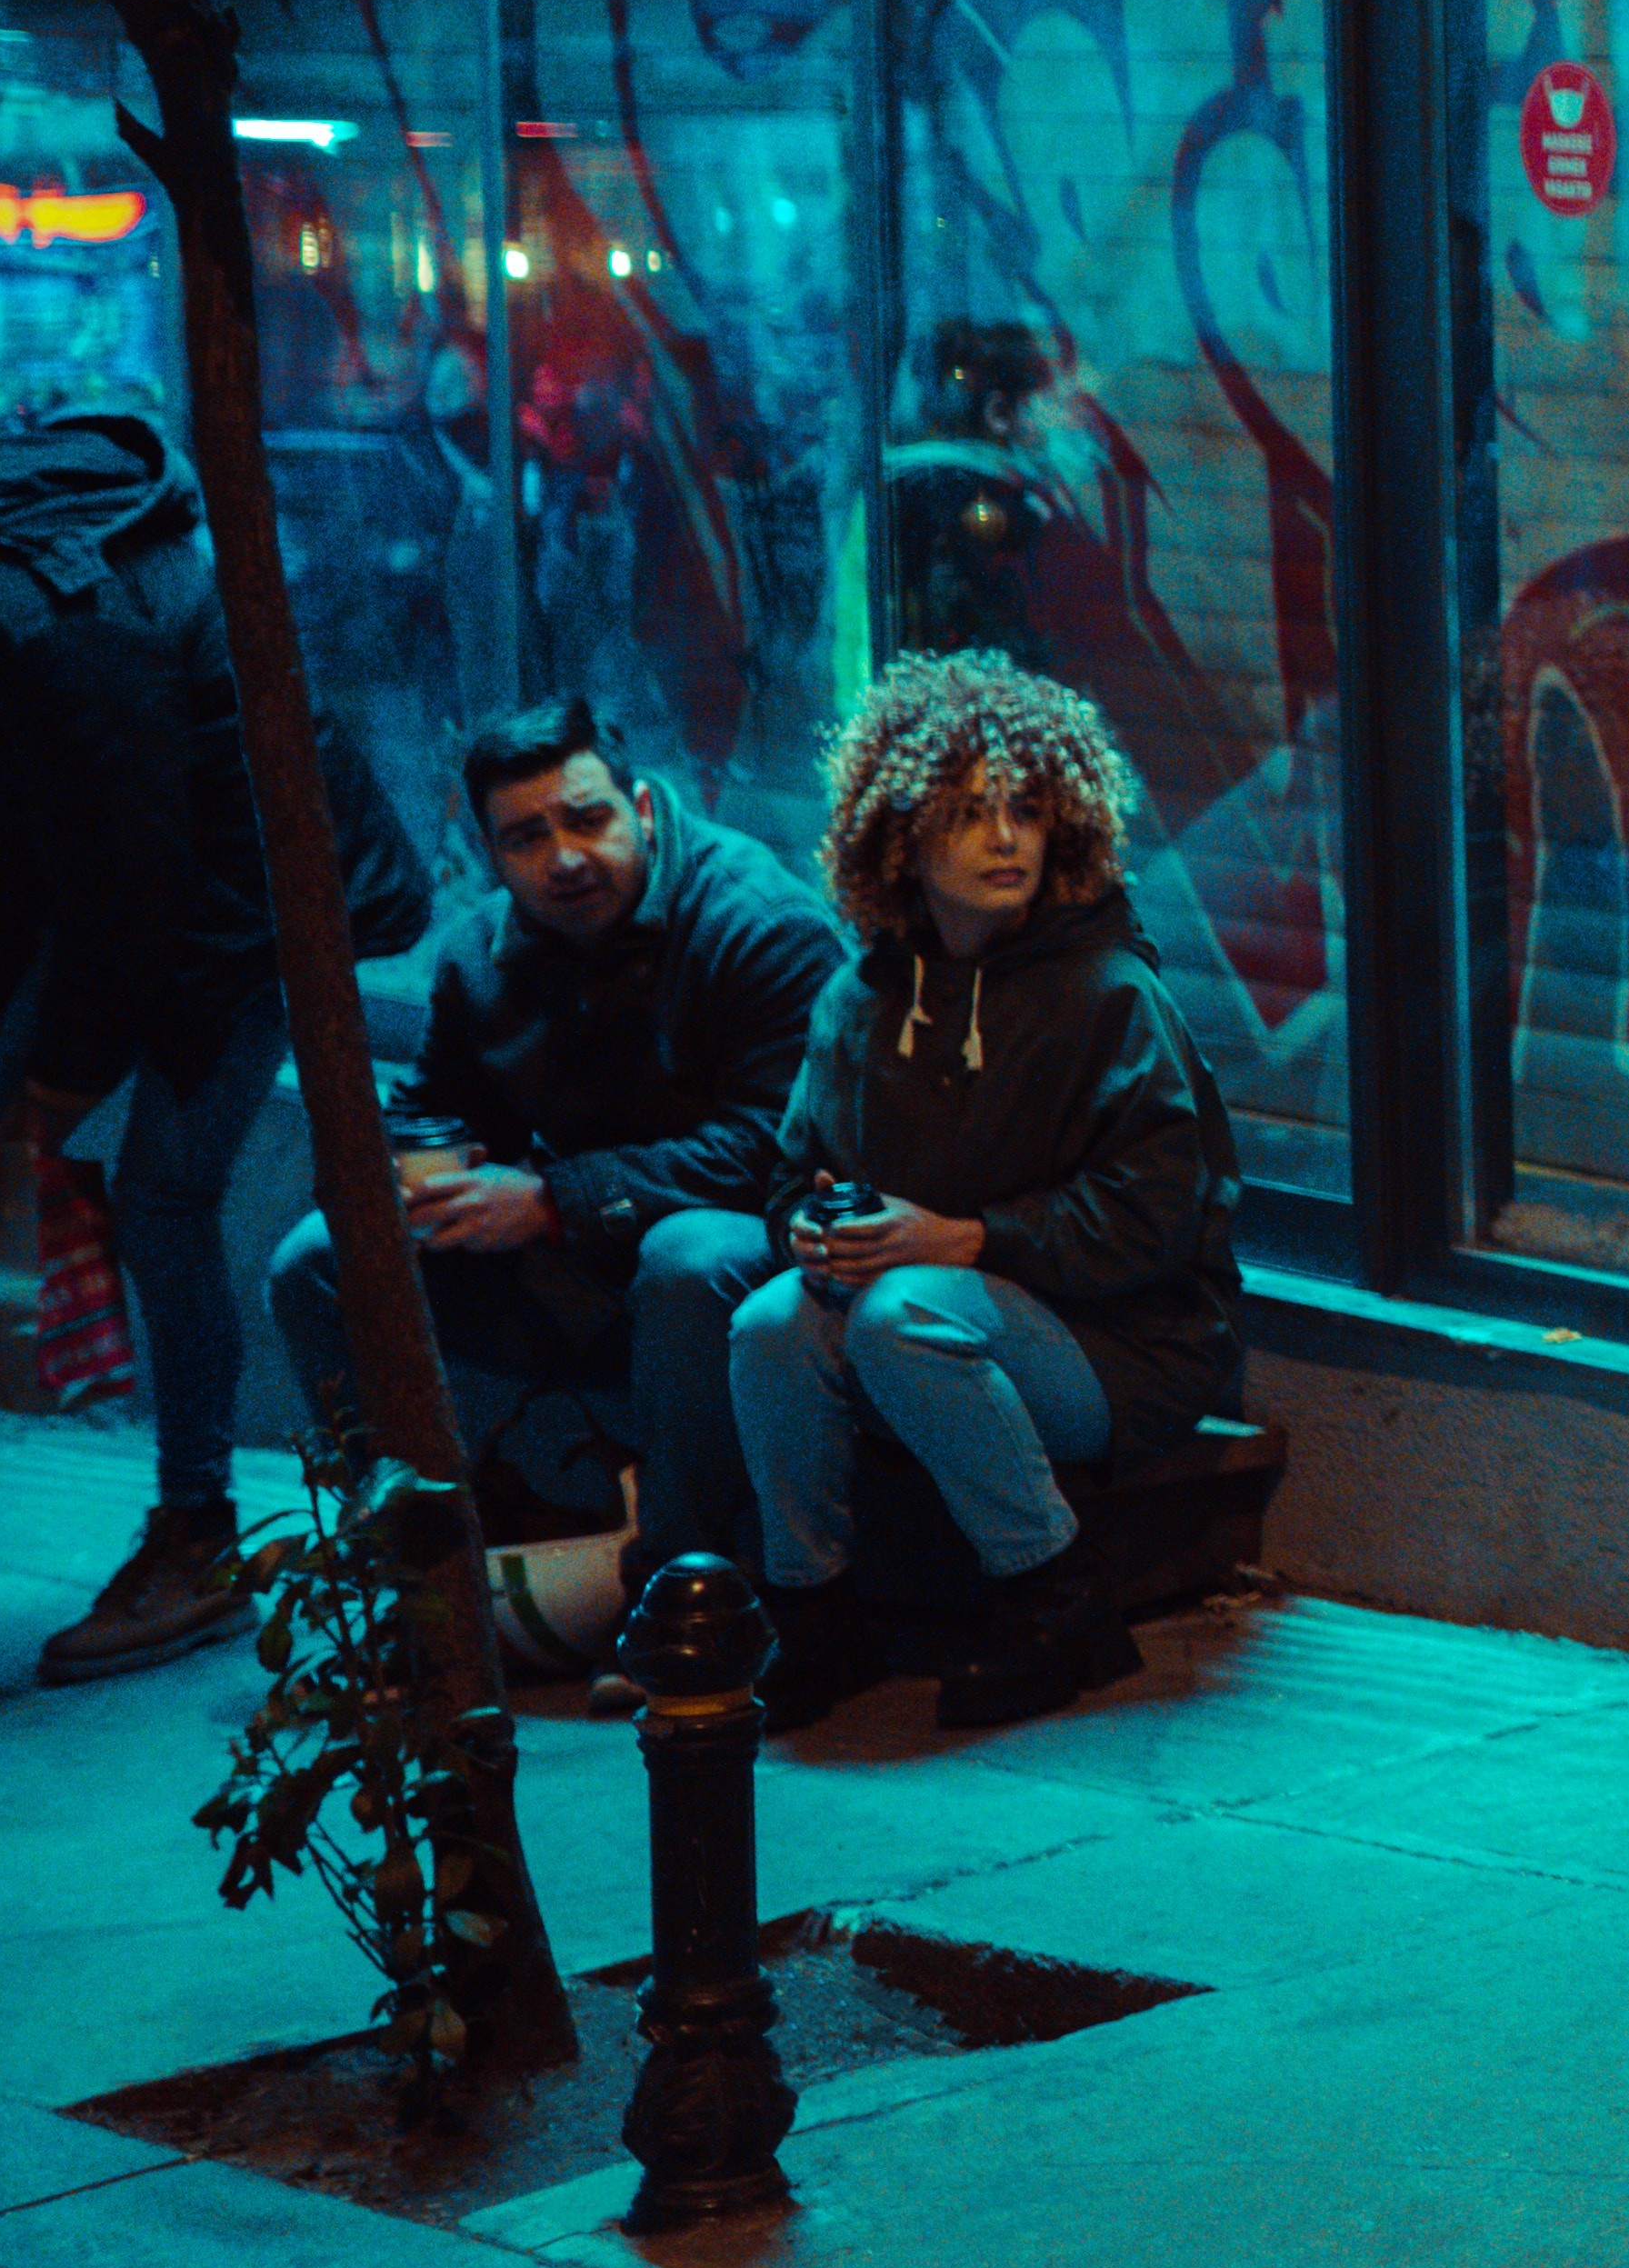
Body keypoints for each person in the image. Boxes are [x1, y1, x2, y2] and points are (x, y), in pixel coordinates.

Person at [0, 407, 429, 1681]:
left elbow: (129, 883)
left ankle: (198, 1530)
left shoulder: (47, 624)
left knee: (164, 1195)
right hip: (141, 879)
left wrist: (53, 1081)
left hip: (248, 902)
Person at [725, 654, 1243, 1732]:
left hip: (1123, 1341)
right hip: (926, 1321)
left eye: (1025, 810)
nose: (1005, 839)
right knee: (770, 1320)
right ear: (901, 839)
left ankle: (1056, 1603)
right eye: (967, 815)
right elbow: (787, 1175)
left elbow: (1154, 1219)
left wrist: (959, 1238)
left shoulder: (1110, 993)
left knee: (902, 1313)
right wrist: (812, 1235)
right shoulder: (858, 997)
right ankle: (817, 1620)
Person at [266, 697, 837, 1568]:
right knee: (318, 1260)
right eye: (526, 838)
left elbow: (779, 1148)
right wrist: (418, 1174)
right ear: (491, 855)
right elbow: (435, 1108)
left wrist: (550, 1201)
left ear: (640, 809)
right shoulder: (479, 956)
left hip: (760, 1251)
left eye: (587, 818)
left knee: (687, 1256)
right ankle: (429, 1566)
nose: (565, 858)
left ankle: (687, 1594)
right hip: (582, 1253)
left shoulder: (760, 926)